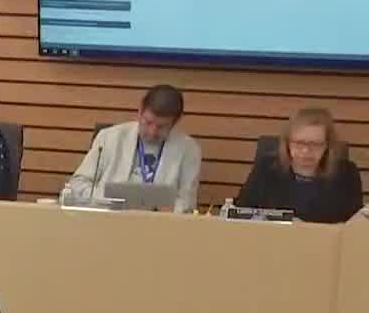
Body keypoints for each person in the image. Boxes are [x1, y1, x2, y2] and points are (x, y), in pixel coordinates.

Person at [64, 85, 202, 212]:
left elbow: (188, 203)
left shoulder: (189, 150)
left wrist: (162, 208)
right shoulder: (109, 137)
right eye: (148, 122)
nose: (152, 132)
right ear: (140, 111)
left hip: (157, 223)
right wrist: (107, 199)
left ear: (175, 122)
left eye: (161, 127)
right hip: (108, 217)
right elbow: (78, 183)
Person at [233, 108, 363, 223]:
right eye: (299, 143)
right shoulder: (267, 168)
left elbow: (354, 224)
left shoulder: (346, 173)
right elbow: (241, 212)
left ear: (328, 146)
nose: (306, 151)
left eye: (315, 144)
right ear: (287, 142)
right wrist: (284, 220)